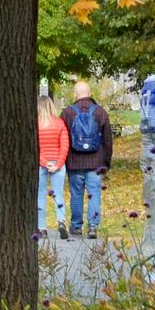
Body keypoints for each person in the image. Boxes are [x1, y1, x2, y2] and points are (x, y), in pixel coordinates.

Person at [61, 82, 114, 241]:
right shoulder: (100, 112)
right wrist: (106, 162)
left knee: (76, 195)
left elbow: (62, 139)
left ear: (74, 95)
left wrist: (62, 162)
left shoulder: (66, 113)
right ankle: (92, 226)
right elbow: (107, 141)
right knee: (94, 194)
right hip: (95, 163)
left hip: (74, 163)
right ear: (90, 93)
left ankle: (76, 227)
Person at [36, 93, 71, 240]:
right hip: (57, 162)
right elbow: (65, 145)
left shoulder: (36, 124)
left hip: (41, 162)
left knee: (40, 195)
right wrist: (58, 163)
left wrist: (44, 162)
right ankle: (61, 221)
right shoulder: (60, 123)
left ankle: (41, 228)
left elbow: (35, 147)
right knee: (58, 193)